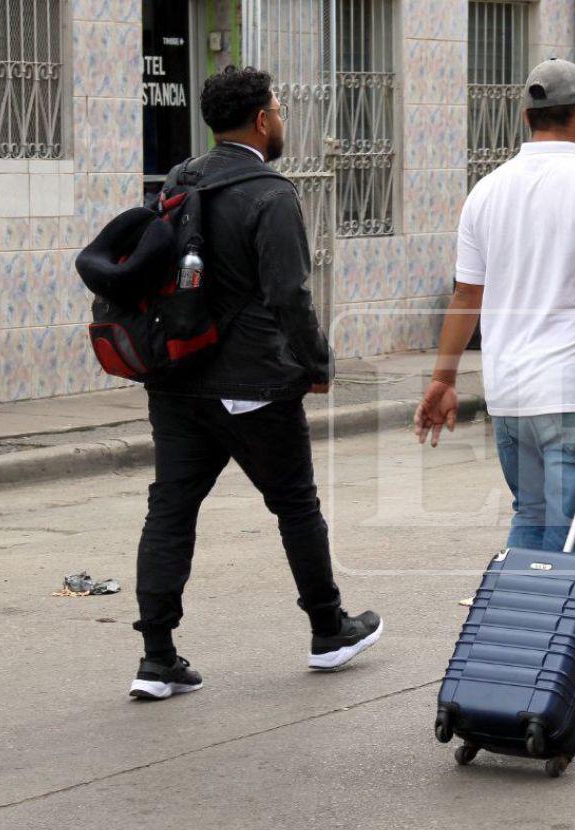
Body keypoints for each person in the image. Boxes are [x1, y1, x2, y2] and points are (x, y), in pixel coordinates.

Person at [127, 66, 382, 700]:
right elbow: (289, 295)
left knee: (170, 509)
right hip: (253, 384)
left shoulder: (180, 181)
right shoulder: (272, 194)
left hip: (178, 377)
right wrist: (317, 364)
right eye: (279, 108)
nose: (282, 119)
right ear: (263, 119)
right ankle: (329, 630)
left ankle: (157, 658)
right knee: (295, 504)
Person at [414, 58, 575, 564]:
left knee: (531, 518)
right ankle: (556, 641)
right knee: (571, 541)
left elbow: (465, 296)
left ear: (526, 117)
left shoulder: (486, 192)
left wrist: (443, 378)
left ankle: (516, 636)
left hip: (511, 394)